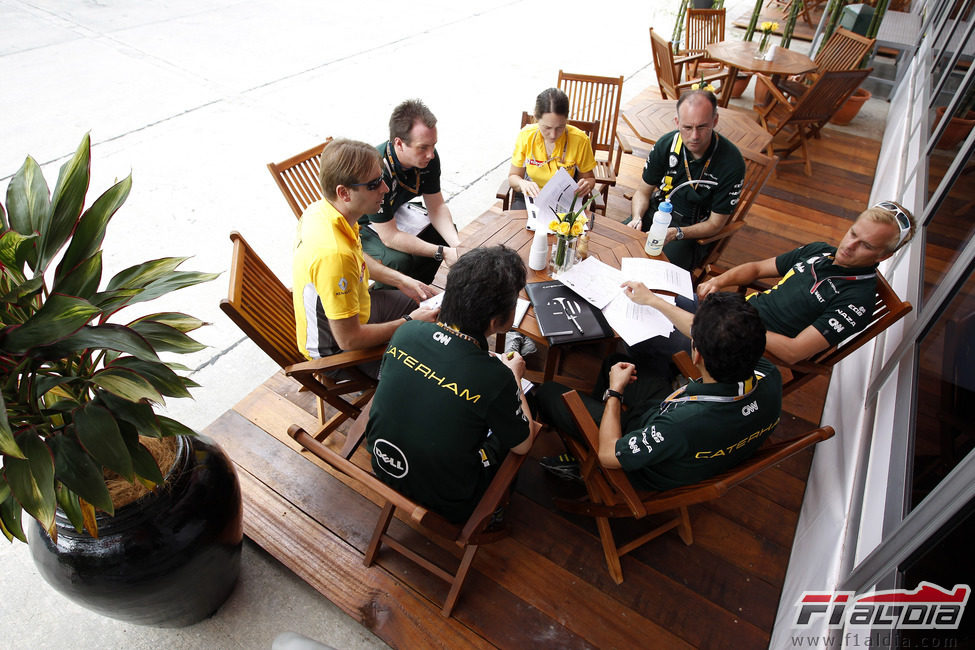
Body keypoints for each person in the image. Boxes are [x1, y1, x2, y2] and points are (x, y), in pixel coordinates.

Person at [365, 246, 540, 523]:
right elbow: (523, 445)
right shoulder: (496, 376)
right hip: (448, 497)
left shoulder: (407, 332)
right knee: (530, 412)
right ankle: (493, 512)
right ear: (498, 321)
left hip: (383, 464)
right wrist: (515, 378)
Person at [535, 293, 781, 490]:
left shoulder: (680, 425)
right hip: (684, 432)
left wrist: (614, 393)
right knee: (617, 361)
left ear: (696, 355)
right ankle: (596, 418)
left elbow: (610, 455)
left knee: (547, 392)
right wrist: (653, 300)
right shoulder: (768, 374)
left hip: (643, 461)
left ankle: (585, 453)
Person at [624, 201, 917, 365]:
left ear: (885, 255)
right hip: (733, 311)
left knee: (643, 335)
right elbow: (755, 268)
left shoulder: (856, 300)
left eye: (865, 245)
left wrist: (731, 326)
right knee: (651, 299)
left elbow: (793, 351)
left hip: (741, 344)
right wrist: (720, 280)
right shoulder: (821, 252)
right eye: (853, 233)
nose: (849, 246)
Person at [292, 138, 440, 378]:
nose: (385, 188)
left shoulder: (322, 211)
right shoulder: (334, 256)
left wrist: (402, 280)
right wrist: (408, 321)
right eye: (373, 184)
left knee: (430, 308)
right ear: (344, 193)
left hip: (358, 309)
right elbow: (349, 339)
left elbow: (357, 257)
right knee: (428, 370)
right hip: (337, 353)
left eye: (382, 178)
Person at [626, 89, 745, 271]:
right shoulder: (666, 145)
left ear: (715, 121)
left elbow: (715, 224)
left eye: (702, 127)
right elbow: (643, 191)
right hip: (657, 212)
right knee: (614, 245)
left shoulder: (731, 162)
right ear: (677, 122)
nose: (694, 136)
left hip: (692, 231)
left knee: (657, 272)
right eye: (687, 128)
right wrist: (637, 217)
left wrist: (676, 233)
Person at [359, 99, 462, 287]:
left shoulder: (428, 157)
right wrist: (443, 252)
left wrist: (458, 247)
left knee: (444, 234)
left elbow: (437, 206)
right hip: (362, 224)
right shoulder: (377, 168)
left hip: (396, 212)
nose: (431, 154)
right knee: (398, 261)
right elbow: (389, 236)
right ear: (399, 143)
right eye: (423, 147)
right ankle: (393, 301)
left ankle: (419, 290)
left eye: (433, 145)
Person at [507, 87, 597, 211]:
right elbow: (513, 177)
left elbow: (589, 178)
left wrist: (587, 185)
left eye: (560, 127)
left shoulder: (580, 140)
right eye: (547, 128)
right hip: (530, 198)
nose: (553, 135)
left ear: (567, 120)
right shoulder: (526, 136)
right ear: (536, 118)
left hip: (563, 201)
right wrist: (522, 183)